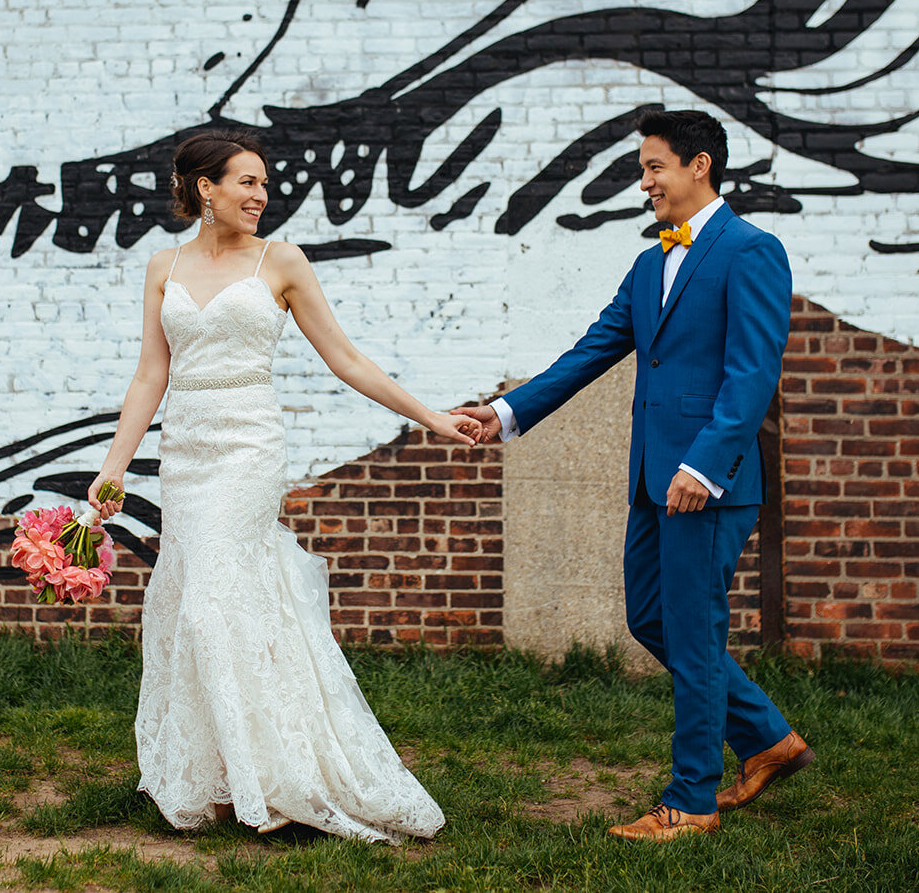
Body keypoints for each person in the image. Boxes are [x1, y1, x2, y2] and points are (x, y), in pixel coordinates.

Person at [85, 131, 471, 843]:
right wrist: (114, 464)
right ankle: (233, 774)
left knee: (208, 603)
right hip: (187, 454)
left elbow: (347, 359)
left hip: (247, 451)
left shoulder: (282, 261)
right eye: (247, 182)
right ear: (206, 188)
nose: (261, 196)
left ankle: (282, 772)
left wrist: (431, 416)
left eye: (264, 184)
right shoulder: (162, 266)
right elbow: (151, 373)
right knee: (207, 601)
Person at [454, 109, 812, 842]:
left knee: (693, 626)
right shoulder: (652, 261)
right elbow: (592, 350)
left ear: (700, 165)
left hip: (706, 483)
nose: (644, 181)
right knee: (652, 617)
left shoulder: (751, 250)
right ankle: (768, 736)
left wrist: (704, 466)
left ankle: (690, 801)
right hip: (652, 478)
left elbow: (751, 375)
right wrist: (505, 412)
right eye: (644, 168)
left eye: (655, 166)